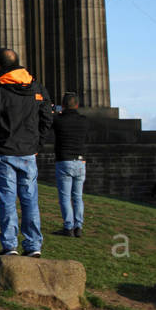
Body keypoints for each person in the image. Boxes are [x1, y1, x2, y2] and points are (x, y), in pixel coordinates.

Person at [0, 47, 53, 257]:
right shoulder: (36, 87)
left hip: (3, 152)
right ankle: (33, 246)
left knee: (7, 200)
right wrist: (37, 144)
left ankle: (10, 245)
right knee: (30, 199)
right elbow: (47, 117)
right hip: (28, 152)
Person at [52, 92, 88, 237]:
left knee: (65, 197)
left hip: (64, 161)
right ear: (77, 105)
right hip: (80, 161)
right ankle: (78, 226)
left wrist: (56, 112)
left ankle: (68, 227)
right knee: (78, 196)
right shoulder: (84, 120)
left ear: (64, 105)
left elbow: (49, 123)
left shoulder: (58, 120)